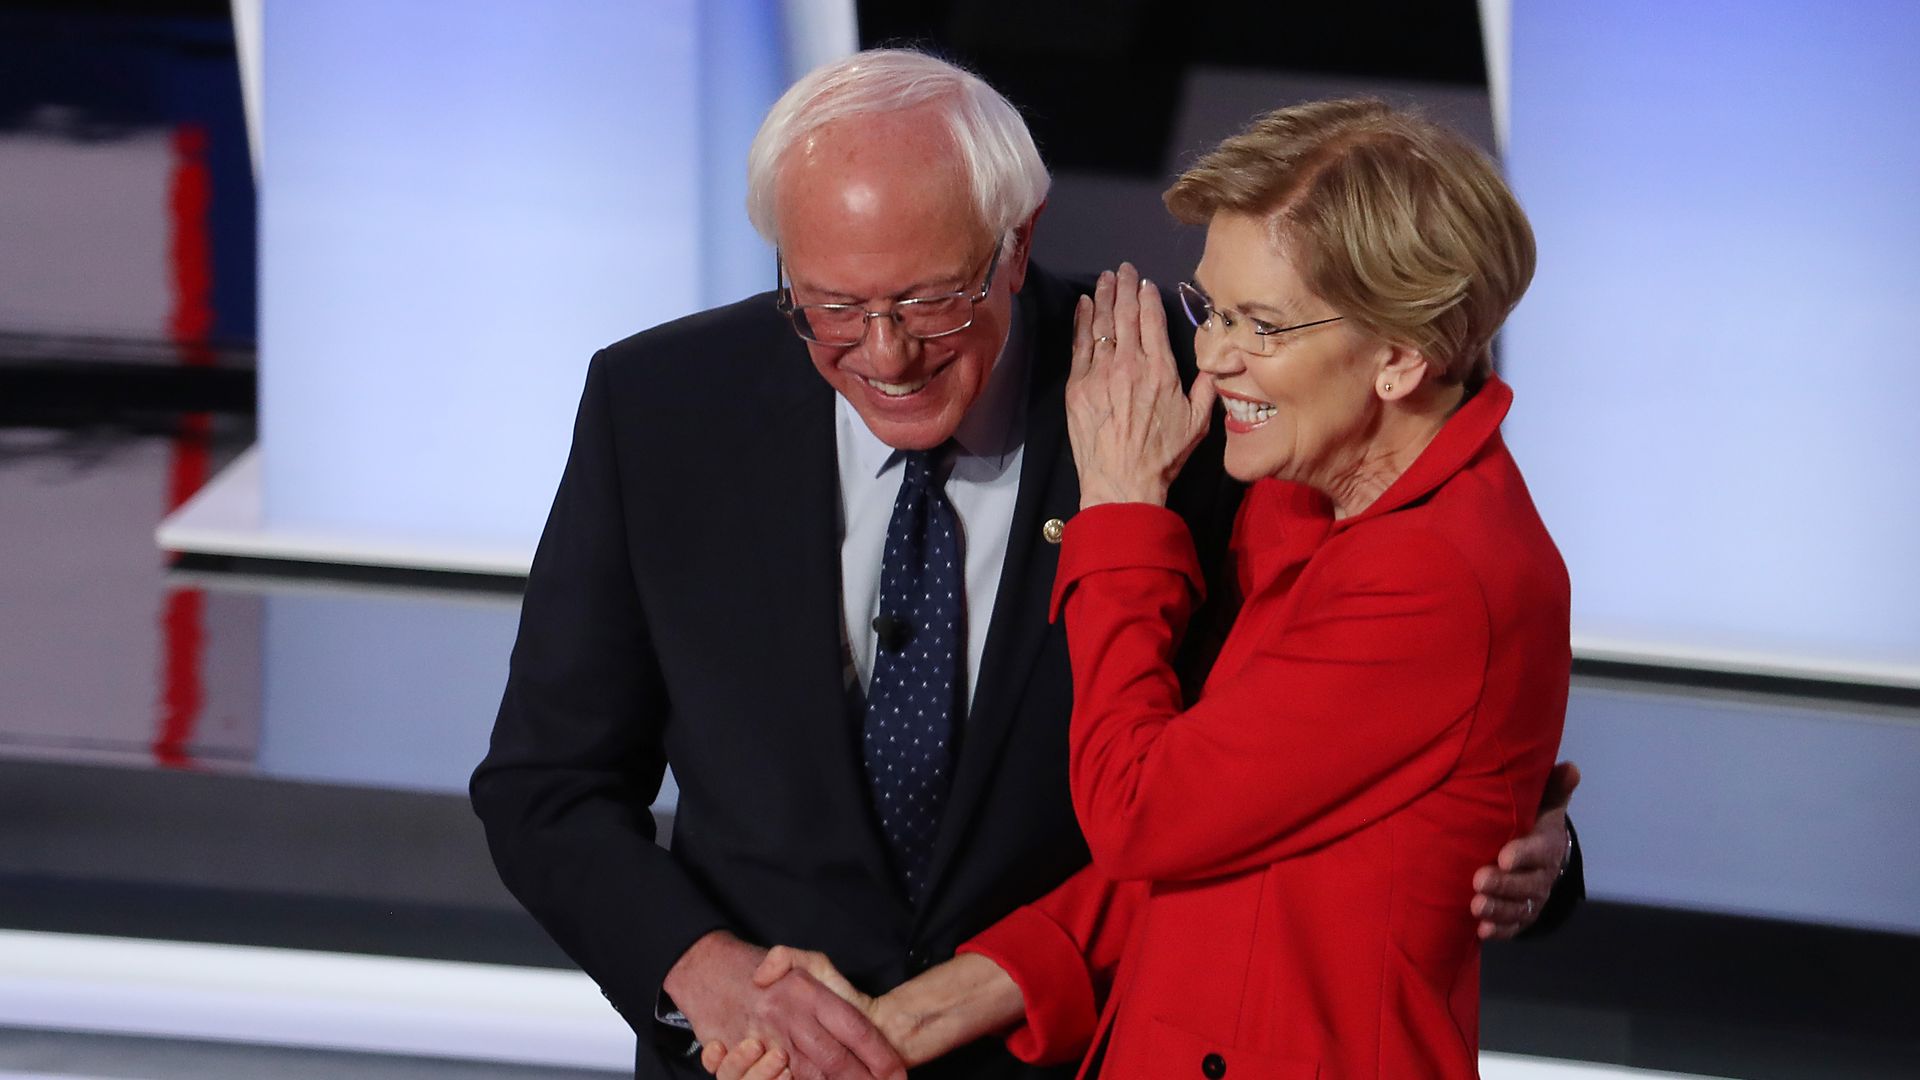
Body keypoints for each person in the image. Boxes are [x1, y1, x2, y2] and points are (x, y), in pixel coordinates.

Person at [471, 52, 1578, 1080]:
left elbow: (1338, 727)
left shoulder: (1201, 423)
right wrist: (700, 974)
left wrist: (1519, 835)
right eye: (834, 307)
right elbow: (545, 784)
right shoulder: (661, 408)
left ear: (1018, 236)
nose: (887, 352)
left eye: (931, 299)